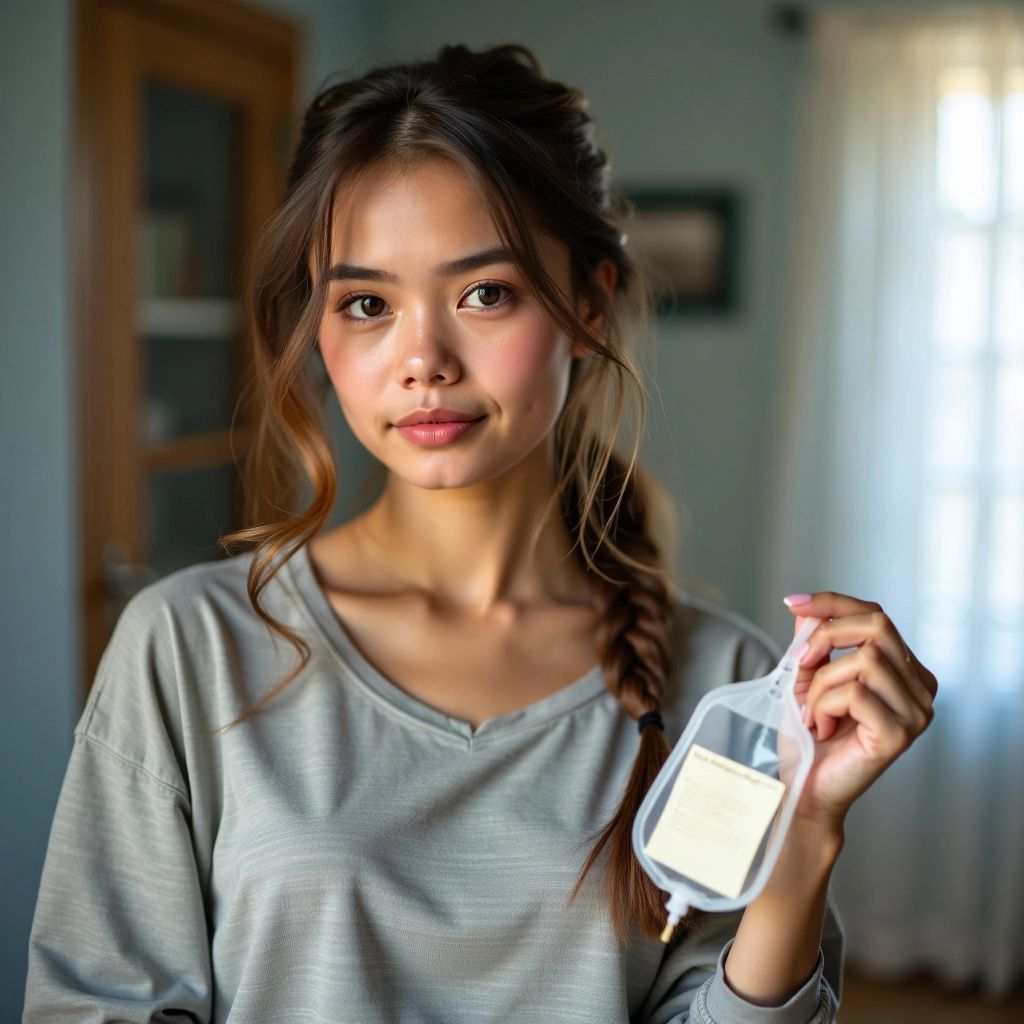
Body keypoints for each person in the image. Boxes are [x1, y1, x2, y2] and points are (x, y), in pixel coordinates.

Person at [23, 42, 937, 1023]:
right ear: (319, 332)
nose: (423, 359)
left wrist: (800, 846)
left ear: (588, 304)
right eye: (367, 303)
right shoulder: (188, 646)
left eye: (483, 293)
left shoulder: (727, 683)